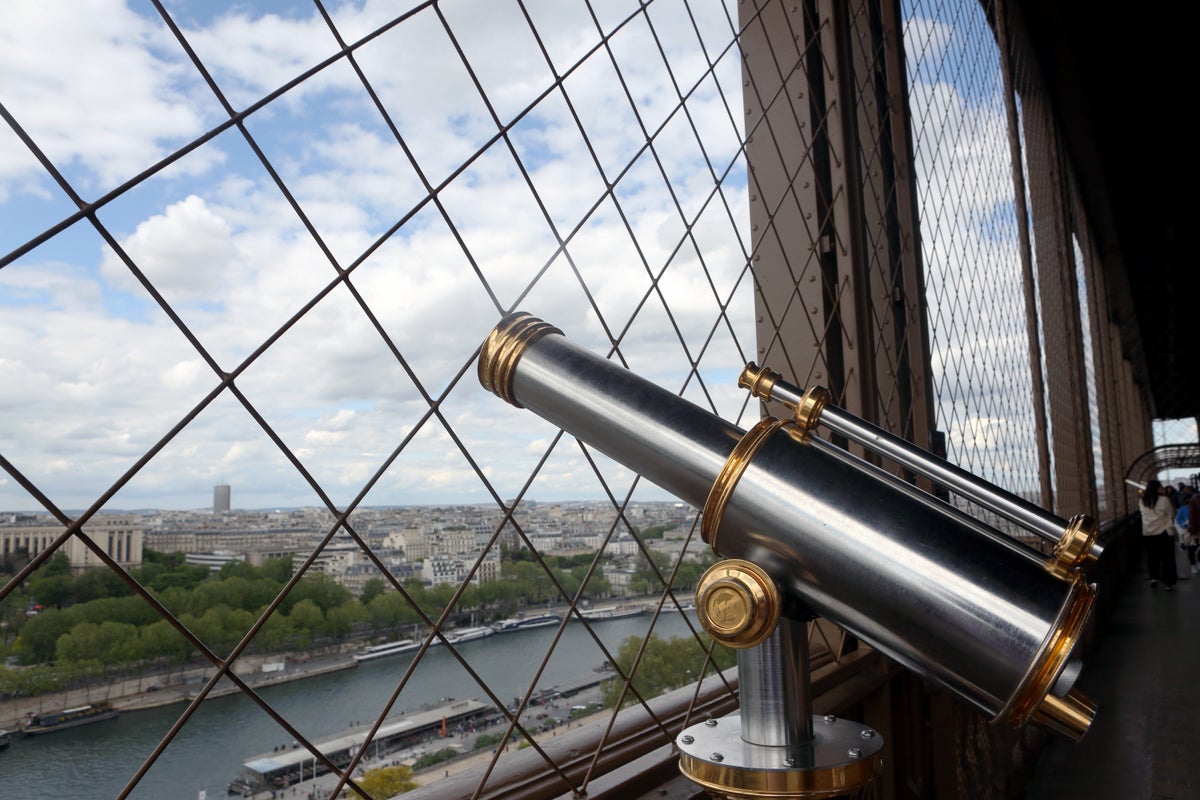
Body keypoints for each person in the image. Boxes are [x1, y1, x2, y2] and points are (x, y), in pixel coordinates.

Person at [1139, 479, 1177, 589]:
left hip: (1147, 533)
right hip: (1163, 532)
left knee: (1152, 557)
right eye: (1160, 487)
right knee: (1167, 558)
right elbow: (1171, 515)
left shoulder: (1142, 500)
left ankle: (1153, 578)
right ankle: (1168, 582)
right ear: (1157, 489)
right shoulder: (1164, 500)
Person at [1188, 485, 1200, 575]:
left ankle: (1195, 564)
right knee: (1194, 547)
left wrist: (1193, 531)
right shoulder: (1195, 500)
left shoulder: (1195, 499)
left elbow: (1192, 517)